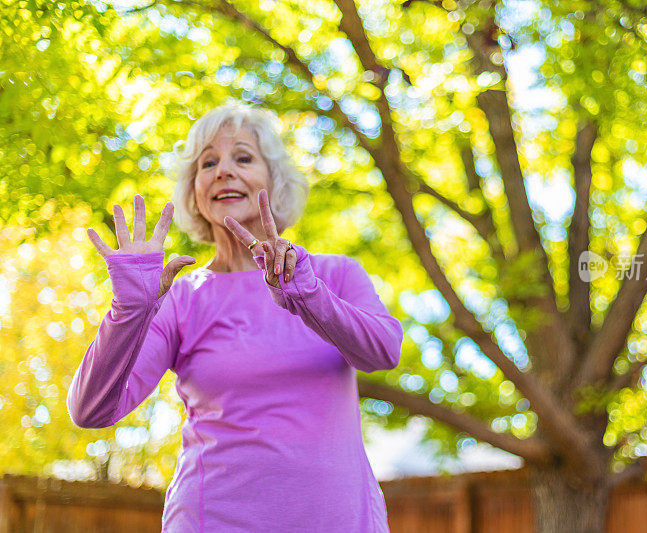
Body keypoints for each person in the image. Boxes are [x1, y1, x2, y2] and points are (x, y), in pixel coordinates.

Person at [66, 102, 404, 532]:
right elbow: (91, 409)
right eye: (208, 163)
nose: (224, 170)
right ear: (195, 193)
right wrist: (130, 311)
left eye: (242, 157)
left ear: (274, 182)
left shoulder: (335, 275)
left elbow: (383, 352)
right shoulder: (180, 298)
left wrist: (305, 291)